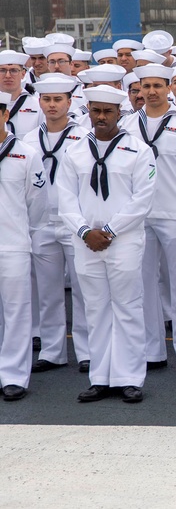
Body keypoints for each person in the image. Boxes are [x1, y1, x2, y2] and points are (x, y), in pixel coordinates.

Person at [57, 85, 156, 403]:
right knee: (95, 309)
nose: (101, 117)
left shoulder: (139, 150)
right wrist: (86, 231)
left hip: (123, 240)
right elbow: (65, 200)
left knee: (127, 306)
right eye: (95, 111)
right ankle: (100, 376)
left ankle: (129, 377)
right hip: (86, 241)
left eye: (107, 111)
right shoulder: (75, 151)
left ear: (118, 113)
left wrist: (110, 230)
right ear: (88, 111)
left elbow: (143, 199)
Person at [123, 64, 176, 376]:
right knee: (142, 285)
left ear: (168, 88)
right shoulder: (128, 125)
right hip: (138, 217)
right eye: (146, 86)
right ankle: (151, 350)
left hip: (175, 215)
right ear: (139, 90)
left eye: (158, 86)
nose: (152, 91)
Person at [25, 74, 90, 374]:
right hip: (41, 223)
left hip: (74, 222)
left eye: (58, 100)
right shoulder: (28, 139)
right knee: (49, 292)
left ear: (69, 102)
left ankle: (88, 350)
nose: (52, 105)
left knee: (82, 289)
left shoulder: (84, 136)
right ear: (40, 102)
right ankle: (52, 351)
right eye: (47, 100)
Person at [0, 91, 47, 401]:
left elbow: (37, 204)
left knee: (17, 312)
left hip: (13, 243)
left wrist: (21, 232)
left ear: (5, 115)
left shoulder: (26, 153)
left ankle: (13, 375)